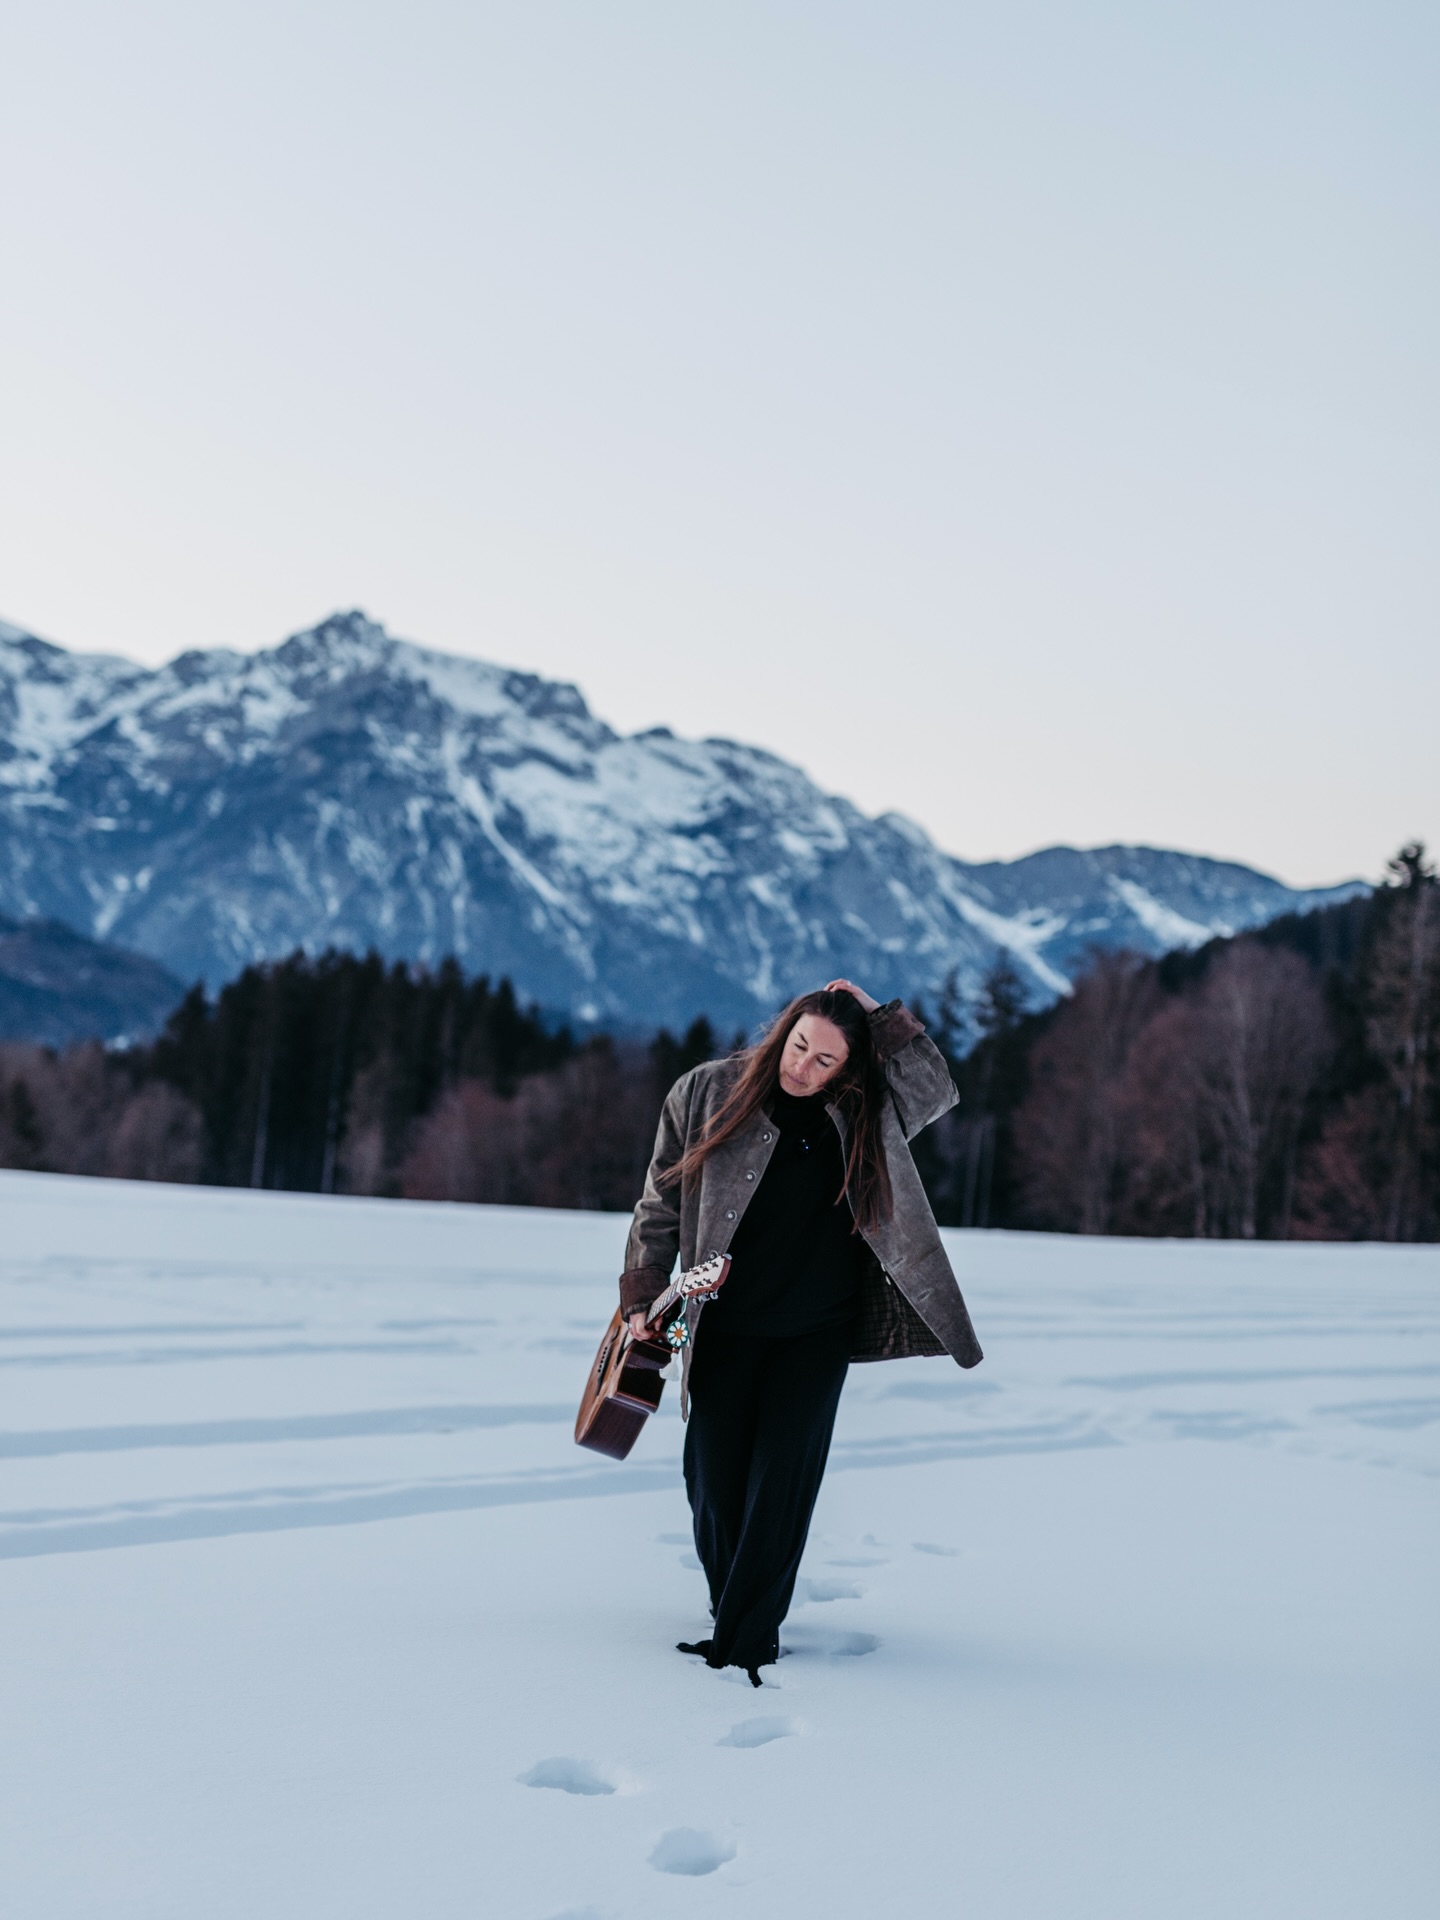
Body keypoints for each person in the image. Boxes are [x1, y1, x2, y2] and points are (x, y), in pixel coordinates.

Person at [619, 979, 983, 1687]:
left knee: (780, 1483)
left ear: (850, 1068)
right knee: (713, 1483)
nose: (804, 1069)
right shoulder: (705, 1092)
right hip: (720, 1321)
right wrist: (642, 1292)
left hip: (817, 1327)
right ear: (782, 1031)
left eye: (826, 1062)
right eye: (800, 1047)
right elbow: (659, 1200)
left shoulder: (867, 1109)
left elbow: (936, 1088)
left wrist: (884, 1017)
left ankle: (748, 1640)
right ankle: (735, 1608)